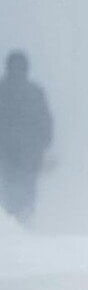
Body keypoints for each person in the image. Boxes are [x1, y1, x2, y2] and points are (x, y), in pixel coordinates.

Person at [0, 50, 54, 224]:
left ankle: (11, 221)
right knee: (26, 186)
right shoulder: (34, 92)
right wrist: (44, 143)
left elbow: (45, 121)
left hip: (9, 151)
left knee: (10, 185)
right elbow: (45, 121)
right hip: (27, 152)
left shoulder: (4, 90)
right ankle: (23, 218)